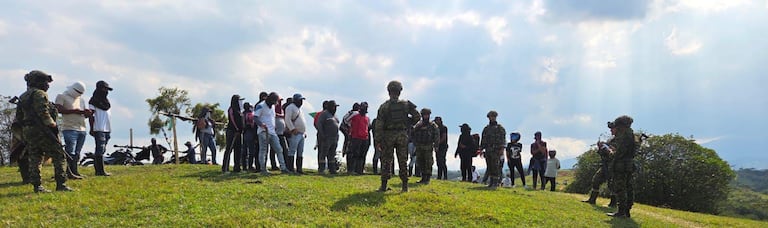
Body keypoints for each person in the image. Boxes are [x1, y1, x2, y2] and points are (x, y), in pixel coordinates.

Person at [18, 70, 74, 192]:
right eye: (45, 82)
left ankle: (37, 186)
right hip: (43, 130)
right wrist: (52, 125)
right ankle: (61, 184)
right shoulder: (40, 94)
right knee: (59, 155)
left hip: (29, 130)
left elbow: (19, 116)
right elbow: (43, 112)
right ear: (38, 82)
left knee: (35, 156)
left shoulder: (23, 96)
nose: (47, 85)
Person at [374, 80, 420, 192]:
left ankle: (384, 186)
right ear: (400, 91)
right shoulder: (406, 105)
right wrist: (407, 124)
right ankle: (404, 186)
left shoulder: (384, 106)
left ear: (388, 91)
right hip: (402, 135)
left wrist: (378, 140)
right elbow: (417, 117)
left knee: (386, 160)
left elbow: (379, 125)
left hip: (388, 135)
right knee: (403, 160)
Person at [54, 81, 92, 179]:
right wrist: (74, 111)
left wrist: (87, 113)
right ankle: (68, 172)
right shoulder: (62, 96)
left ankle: (74, 171)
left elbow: (83, 114)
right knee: (70, 152)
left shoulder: (81, 99)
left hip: (82, 128)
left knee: (77, 152)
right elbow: (58, 109)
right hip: (69, 128)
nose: (79, 94)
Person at [606, 115, 636, 218]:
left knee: (620, 188)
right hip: (629, 164)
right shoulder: (631, 133)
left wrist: (609, 151)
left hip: (621, 165)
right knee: (628, 187)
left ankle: (621, 211)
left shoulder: (622, 135)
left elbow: (618, 152)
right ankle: (627, 211)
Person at [582, 121, 617, 207]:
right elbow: (603, 153)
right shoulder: (611, 140)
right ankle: (592, 199)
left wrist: (608, 149)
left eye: (612, 129)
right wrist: (601, 147)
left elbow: (615, 153)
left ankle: (613, 203)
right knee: (596, 180)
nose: (611, 131)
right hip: (605, 164)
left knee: (612, 184)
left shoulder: (620, 140)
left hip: (613, 166)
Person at [256, 92, 290, 175]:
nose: (276, 103)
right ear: (270, 100)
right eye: (275, 101)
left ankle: (283, 168)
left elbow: (272, 116)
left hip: (272, 132)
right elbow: (255, 117)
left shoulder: (273, 107)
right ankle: (263, 169)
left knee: (279, 149)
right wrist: (261, 124)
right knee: (263, 150)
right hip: (263, 131)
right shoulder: (260, 105)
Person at [89, 80, 114, 176]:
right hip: (99, 128)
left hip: (107, 129)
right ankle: (99, 171)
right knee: (99, 149)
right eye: (105, 89)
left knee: (102, 150)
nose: (106, 91)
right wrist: (92, 128)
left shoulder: (106, 102)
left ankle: (100, 170)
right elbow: (91, 116)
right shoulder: (93, 101)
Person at [411, 108, 439, 184]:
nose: (426, 116)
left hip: (428, 146)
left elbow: (436, 136)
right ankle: (423, 177)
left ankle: (427, 178)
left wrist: (436, 146)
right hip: (419, 146)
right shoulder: (418, 124)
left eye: (427, 114)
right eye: (424, 114)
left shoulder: (432, 125)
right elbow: (413, 133)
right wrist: (415, 143)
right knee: (420, 162)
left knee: (428, 162)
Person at [481, 110, 506, 189]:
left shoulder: (500, 128)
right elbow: (483, 139)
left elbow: (503, 139)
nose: (492, 118)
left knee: (495, 166)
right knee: (489, 166)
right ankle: (491, 182)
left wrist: (502, 149)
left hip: (496, 150)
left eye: (493, 116)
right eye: (490, 117)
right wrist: (481, 149)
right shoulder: (486, 129)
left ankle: (495, 182)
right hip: (488, 150)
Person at [316, 100, 340, 175]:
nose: (335, 108)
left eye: (336, 107)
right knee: (323, 154)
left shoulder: (335, 115)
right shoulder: (324, 114)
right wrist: (322, 135)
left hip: (334, 138)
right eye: (334, 107)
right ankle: (321, 169)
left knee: (332, 155)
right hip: (326, 137)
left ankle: (332, 169)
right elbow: (319, 124)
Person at [285, 93, 306, 174]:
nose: (301, 102)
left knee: (300, 151)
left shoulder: (299, 109)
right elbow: (287, 119)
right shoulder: (290, 107)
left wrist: (304, 131)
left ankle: (299, 169)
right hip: (295, 133)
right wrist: (292, 129)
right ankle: (290, 168)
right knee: (292, 150)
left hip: (301, 133)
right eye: (300, 100)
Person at [222, 94, 244, 173]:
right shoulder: (231, 109)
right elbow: (232, 120)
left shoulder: (239, 110)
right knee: (229, 149)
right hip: (232, 131)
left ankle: (237, 168)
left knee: (238, 150)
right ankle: (225, 168)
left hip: (239, 132)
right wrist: (237, 129)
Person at [348, 102, 371, 175]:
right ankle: (352, 170)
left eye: (366, 107)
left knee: (362, 155)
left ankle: (360, 170)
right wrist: (351, 129)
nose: (364, 109)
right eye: (363, 107)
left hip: (365, 138)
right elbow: (346, 121)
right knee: (355, 154)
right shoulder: (355, 116)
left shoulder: (367, 118)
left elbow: (368, 127)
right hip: (356, 137)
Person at [273, 97, 291, 172]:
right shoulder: (273, 108)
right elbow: (274, 115)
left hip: (282, 133)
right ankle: (274, 165)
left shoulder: (282, 109)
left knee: (284, 149)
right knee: (274, 150)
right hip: (275, 133)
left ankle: (285, 166)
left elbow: (283, 116)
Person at [341, 103, 360, 172]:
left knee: (348, 148)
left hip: (346, 131)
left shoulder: (349, 112)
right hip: (350, 132)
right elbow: (347, 120)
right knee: (351, 151)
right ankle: (351, 168)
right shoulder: (356, 113)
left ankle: (350, 168)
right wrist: (349, 126)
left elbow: (344, 120)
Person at [241, 102, 257, 171]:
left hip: (244, 133)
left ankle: (244, 166)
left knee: (244, 151)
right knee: (251, 151)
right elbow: (252, 125)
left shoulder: (242, 114)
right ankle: (250, 166)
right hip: (250, 133)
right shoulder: (250, 114)